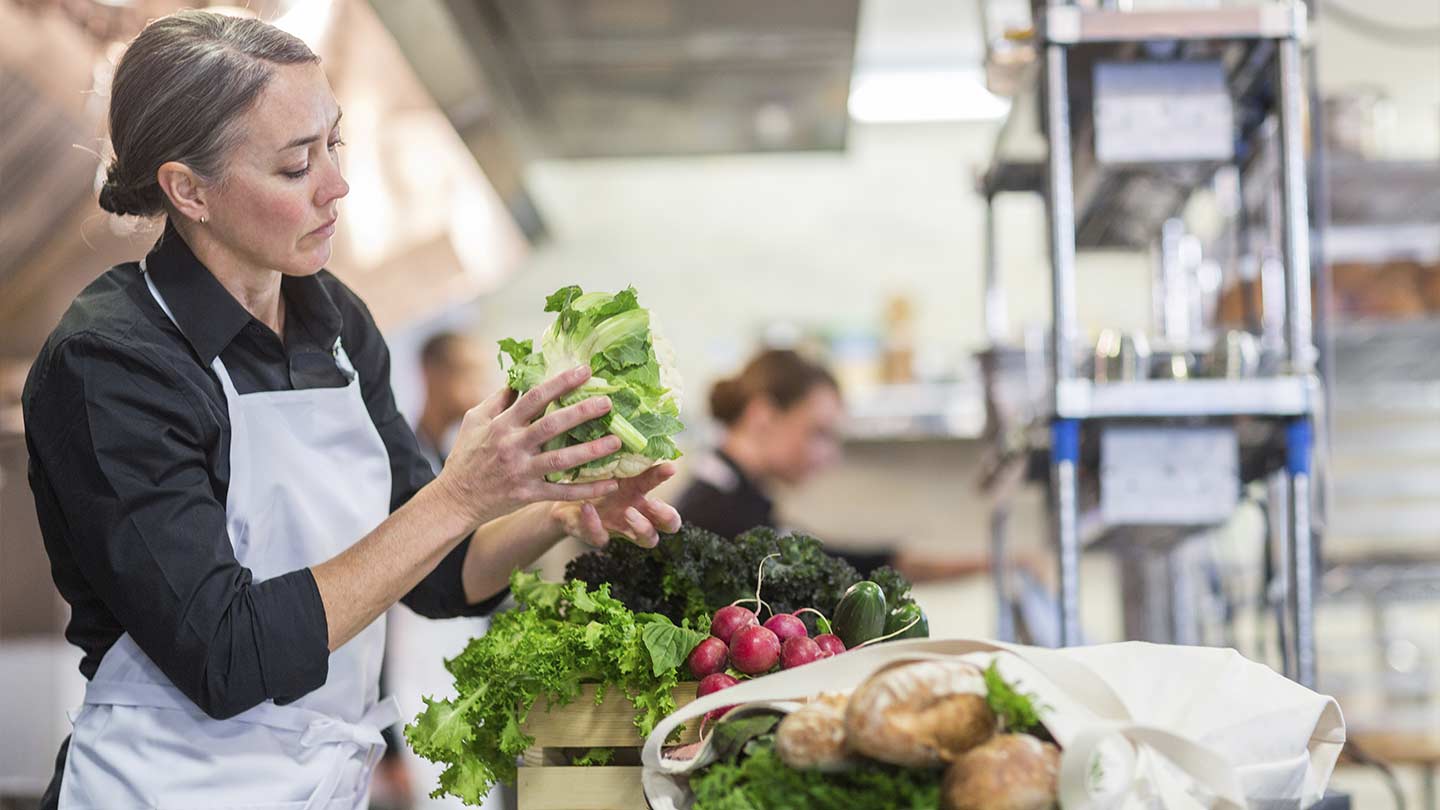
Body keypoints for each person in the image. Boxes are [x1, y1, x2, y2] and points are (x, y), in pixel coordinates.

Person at [20, 12, 679, 809]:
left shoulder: (333, 321)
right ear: (188, 190)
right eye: (297, 165)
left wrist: (547, 507)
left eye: (335, 144)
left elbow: (430, 572)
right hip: (164, 788)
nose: (337, 185)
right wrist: (460, 493)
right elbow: (224, 655)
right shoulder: (113, 361)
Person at [676, 349, 989, 582]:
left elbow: (837, 561)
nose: (831, 456)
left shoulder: (740, 497)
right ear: (763, 416)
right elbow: (836, 567)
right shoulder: (718, 514)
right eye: (819, 433)